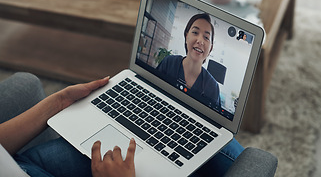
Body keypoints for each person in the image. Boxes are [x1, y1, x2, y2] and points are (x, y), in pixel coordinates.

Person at [0, 72, 244, 177]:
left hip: (22, 166)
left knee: (208, 140)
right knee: (233, 155)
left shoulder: (209, 81)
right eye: (195, 32)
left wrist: (60, 100)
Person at [157, 13, 221, 109]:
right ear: (187, 37)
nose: (200, 41)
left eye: (206, 37)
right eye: (195, 32)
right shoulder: (169, 63)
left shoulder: (212, 87)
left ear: (210, 49)